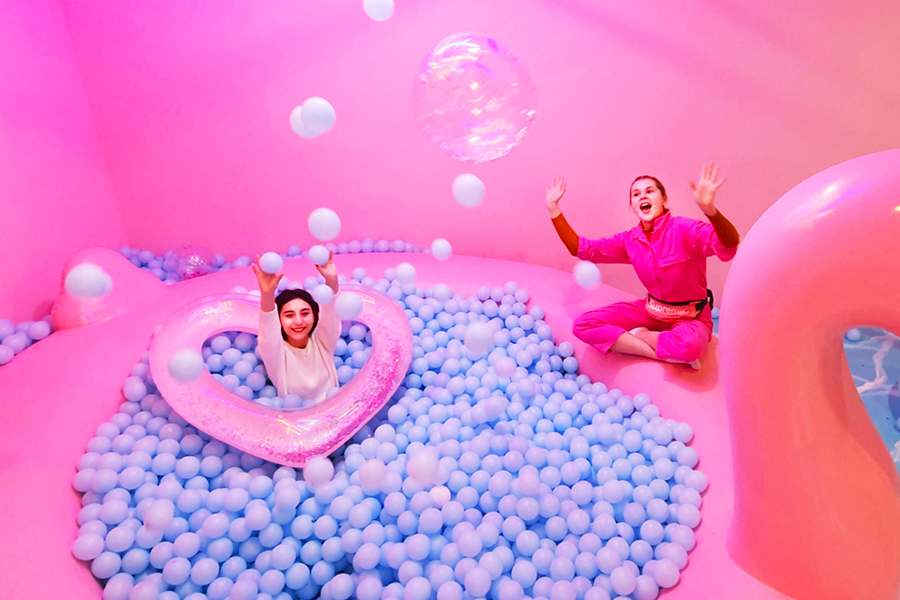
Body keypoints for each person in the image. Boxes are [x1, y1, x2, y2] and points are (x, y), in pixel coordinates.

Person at [546, 163, 740, 369]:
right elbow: (583, 249)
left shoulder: (684, 229)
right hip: (651, 311)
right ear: (632, 205)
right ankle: (659, 353)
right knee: (583, 325)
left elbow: (728, 244)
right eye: (636, 194)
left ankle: (641, 336)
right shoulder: (629, 240)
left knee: (689, 347)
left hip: (691, 318)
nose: (642, 196)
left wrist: (710, 211)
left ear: (664, 200)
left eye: (649, 191)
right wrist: (553, 209)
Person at [251, 253, 341, 401]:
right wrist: (267, 294)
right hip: (295, 415)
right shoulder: (276, 354)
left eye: (305, 313)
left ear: (315, 317)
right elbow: (268, 330)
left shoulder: (323, 342)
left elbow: (331, 314)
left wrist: (332, 281)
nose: (298, 321)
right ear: (279, 320)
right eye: (289, 315)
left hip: (336, 410)